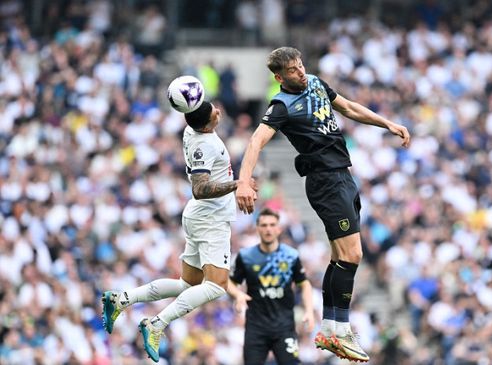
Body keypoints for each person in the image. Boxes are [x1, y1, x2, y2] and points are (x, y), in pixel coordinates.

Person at [235, 47, 410, 362]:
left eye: (300, 65)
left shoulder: (315, 82)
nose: (300, 72)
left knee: (340, 256)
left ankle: (331, 329)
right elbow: (256, 141)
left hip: (343, 176)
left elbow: (348, 108)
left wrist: (387, 124)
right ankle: (338, 331)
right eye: (292, 70)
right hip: (325, 181)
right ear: (279, 77)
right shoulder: (282, 105)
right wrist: (244, 181)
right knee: (353, 254)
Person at [101, 101, 256, 362]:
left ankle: (122, 299)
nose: (219, 110)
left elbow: (193, 109)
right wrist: (238, 184)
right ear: (207, 123)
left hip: (198, 215)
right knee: (216, 287)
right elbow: (200, 187)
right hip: (210, 218)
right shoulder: (205, 144)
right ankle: (157, 324)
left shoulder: (192, 129)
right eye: (213, 111)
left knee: (188, 285)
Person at [227, 208, 315, 365]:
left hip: (284, 327)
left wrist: (308, 310)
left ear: (279, 228)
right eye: (264, 225)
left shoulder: (291, 256)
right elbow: (230, 283)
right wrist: (238, 294)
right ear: (258, 228)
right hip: (256, 328)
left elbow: (305, 284)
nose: (268, 229)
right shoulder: (246, 257)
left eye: (272, 225)